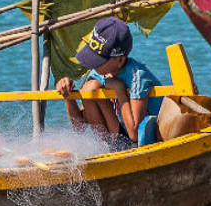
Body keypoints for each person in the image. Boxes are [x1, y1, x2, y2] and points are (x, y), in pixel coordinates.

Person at [55, 16, 163, 148]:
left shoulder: (138, 76)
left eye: (98, 60)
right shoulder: (97, 73)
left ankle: (115, 148)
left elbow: (134, 134)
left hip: (145, 138)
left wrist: (120, 92)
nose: (93, 65)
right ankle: (105, 147)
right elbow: (79, 127)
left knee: (92, 87)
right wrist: (68, 95)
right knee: (90, 87)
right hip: (118, 137)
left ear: (120, 60)